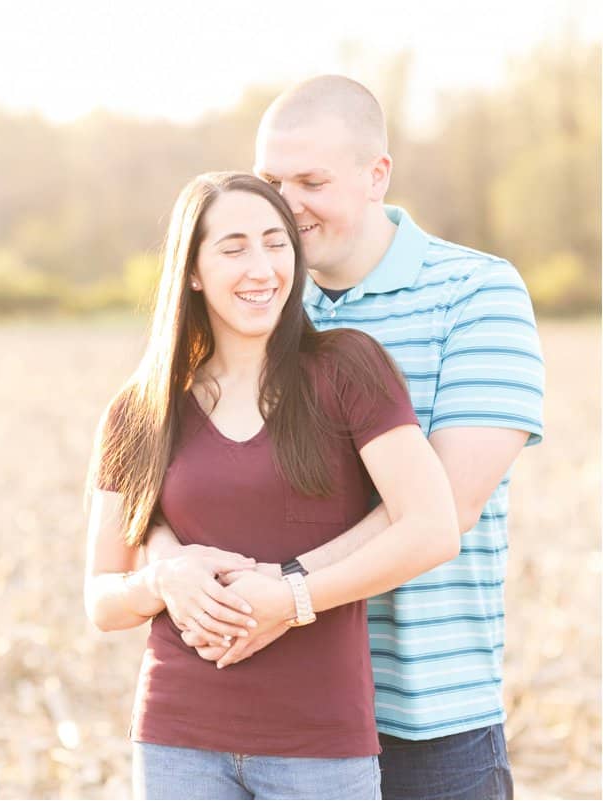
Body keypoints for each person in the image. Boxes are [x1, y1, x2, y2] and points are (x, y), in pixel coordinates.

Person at [145, 76, 545, 800]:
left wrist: (287, 590)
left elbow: (440, 510)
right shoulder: (257, 300)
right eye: (271, 179)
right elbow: (169, 482)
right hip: (277, 713)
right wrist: (169, 565)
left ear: (376, 176)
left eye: (312, 180)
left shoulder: (478, 295)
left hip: (426, 718)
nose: (287, 202)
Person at [83, 170, 460, 800]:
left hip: (320, 745)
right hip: (178, 741)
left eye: (275, 243)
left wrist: (293, 598)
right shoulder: (141, 409)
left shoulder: (348, 369)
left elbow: (432, 528)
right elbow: (101, 598)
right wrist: (161, 580)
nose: (261, 268)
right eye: (233, 249)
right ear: (194, 271)